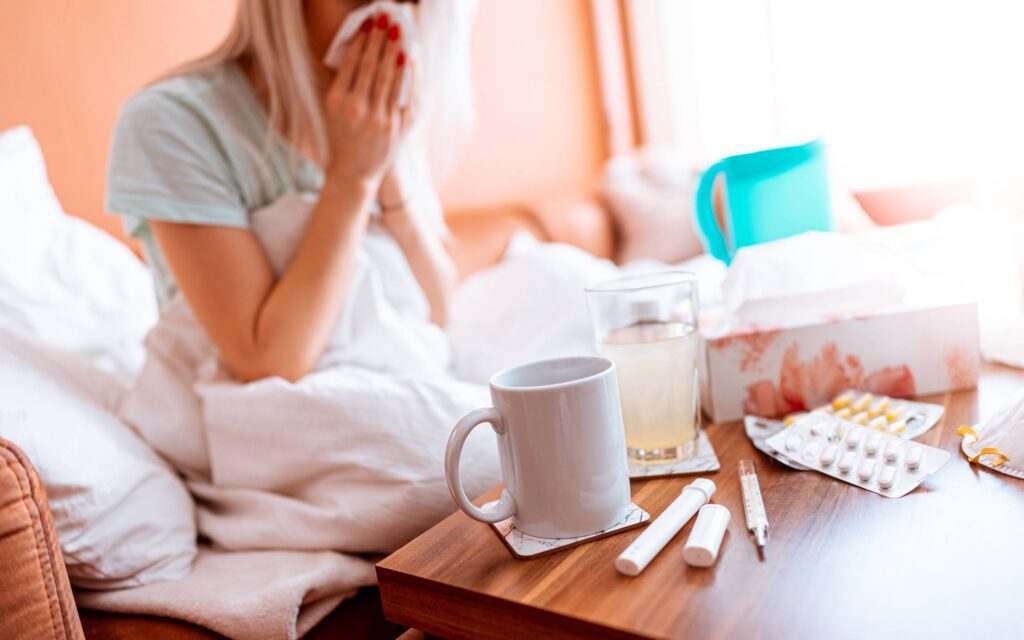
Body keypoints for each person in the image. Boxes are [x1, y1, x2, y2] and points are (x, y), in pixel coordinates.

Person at [108, 0, 459, 384]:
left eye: (410, 3)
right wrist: (353, 179)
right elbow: (270, 361)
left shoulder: (381, 116)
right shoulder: (171, 123)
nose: (396, 17)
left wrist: (384, 172)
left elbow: (441, 311)